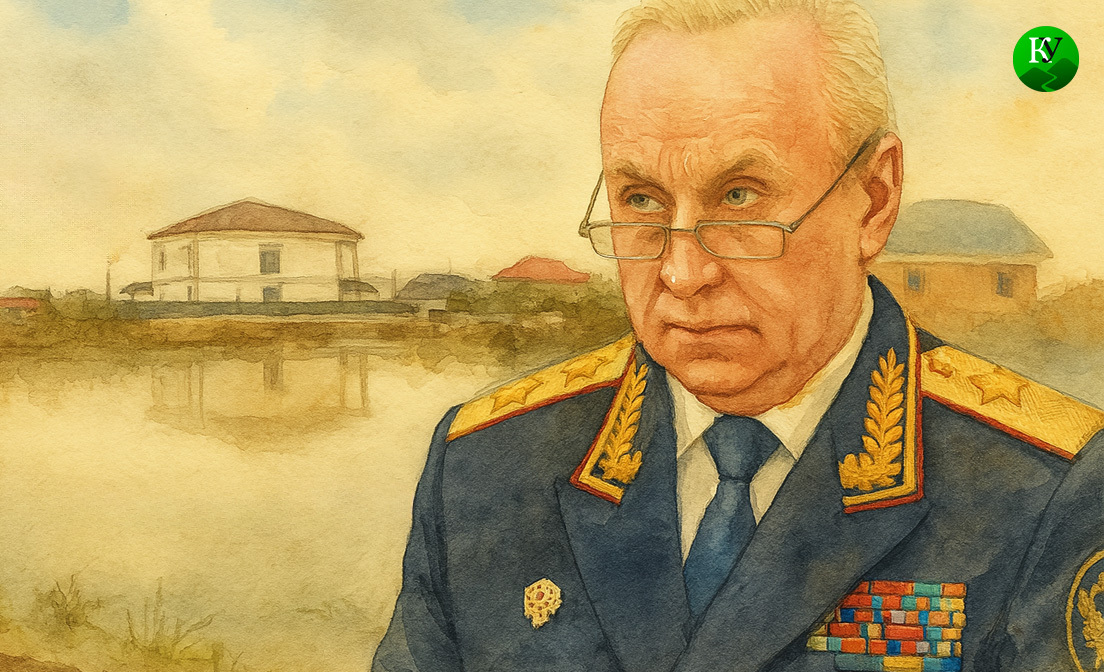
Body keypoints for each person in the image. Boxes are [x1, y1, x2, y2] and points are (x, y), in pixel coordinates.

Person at [373, 0, 1104, 670]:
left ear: (874, 201)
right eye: (641, 201)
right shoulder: (486, 464)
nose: (682, 273)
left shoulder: (1050, 485)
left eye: (740, 197)